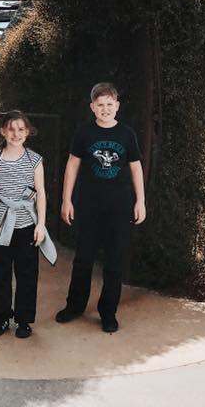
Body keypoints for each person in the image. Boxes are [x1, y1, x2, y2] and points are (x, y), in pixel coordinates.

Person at [55, 82, 146, 334]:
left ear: (116, 106)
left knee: (115, 262)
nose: (105, 109)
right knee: (83, 259)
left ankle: (108, 312)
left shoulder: (127, 134)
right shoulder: (84, 133)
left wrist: (140, 201)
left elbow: (136, 167)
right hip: (88, 206)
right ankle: (74, 306)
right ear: (92, 107)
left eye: (109, 104)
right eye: (100, 105)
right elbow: (72, 166)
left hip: (120, 207)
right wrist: (66, 200)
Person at [0, 111, 56, 339]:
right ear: (3, 131)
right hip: (0, 226)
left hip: (26, 226)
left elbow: (41, 193)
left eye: (21, 129)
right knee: (0, 273)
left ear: (28, 132)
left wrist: (41, 224)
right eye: (11, 129)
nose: (16, 134)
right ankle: (1, 318)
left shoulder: (34, 159)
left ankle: (24, 320)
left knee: (26, 275)